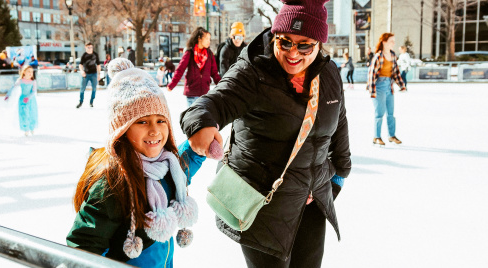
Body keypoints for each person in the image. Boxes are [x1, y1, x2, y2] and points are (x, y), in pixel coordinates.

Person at [179, 0, 351, 267]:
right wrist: (201, 123)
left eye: (304, 44)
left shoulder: (328, 73)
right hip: (262, 205)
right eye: (284, 42)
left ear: (318, 43)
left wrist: (339, 172)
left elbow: (338, 122)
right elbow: (213, 102)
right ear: (274, 37)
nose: (293, 53)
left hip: (311, 201)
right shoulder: (252, 71)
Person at [66, 58, 203, 266]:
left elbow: (184, 165)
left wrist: (198, 147)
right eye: (142, 121)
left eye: (160, 120)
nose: (155, 130)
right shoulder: (113, 183)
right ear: (122, 129)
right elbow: (84, 246)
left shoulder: (168, 166)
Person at [367, 33, 407, 146]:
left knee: (390, 113)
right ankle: (377, 137)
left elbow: (396, 72)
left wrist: (401, 85)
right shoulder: (378, 56)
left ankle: (391, 135)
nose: (394, 43)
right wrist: (372, 91)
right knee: (379, 113)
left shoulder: (393, 55)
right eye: (391, 41)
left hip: (389, 86)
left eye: (394, 41)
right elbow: (371, 74)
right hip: (379, 86)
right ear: (384, 42)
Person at [167, 27, 221, 106]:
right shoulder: (190, 53)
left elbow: (215, 73)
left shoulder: (209, 54)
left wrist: (222, 86)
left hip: (205, 93)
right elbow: (180, 70)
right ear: (199, 38)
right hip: (192, 93)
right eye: (206, 38)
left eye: (209, 39)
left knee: (203, 118)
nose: (209, 41)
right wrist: (172, 84)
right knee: (193, 117)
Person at [5, 65, 38, 136]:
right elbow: (13, 87)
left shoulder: (33, 82)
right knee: (23, 114)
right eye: (29, 71)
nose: (30, 73)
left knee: (31, 113)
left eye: (32, 72)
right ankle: (26, 129)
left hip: (31, 100)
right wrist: (8, 95)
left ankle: (31, 128)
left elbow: (33, 91)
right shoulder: (20, 81)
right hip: (22, 99)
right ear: (24, 72)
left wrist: (28, 97)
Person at [77, 42, 101, 108]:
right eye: (88, 47)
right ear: (86, 47)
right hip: (86, 74)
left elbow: (98, 65)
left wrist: (99, 74)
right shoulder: (84, 55)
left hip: (94, 74)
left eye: (91, 47)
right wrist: (82, 71)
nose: (90, 49)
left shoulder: (95, 55)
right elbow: (80, 65)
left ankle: (91, 102)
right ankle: (80, 102)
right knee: (82, 89)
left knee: (94, 89)